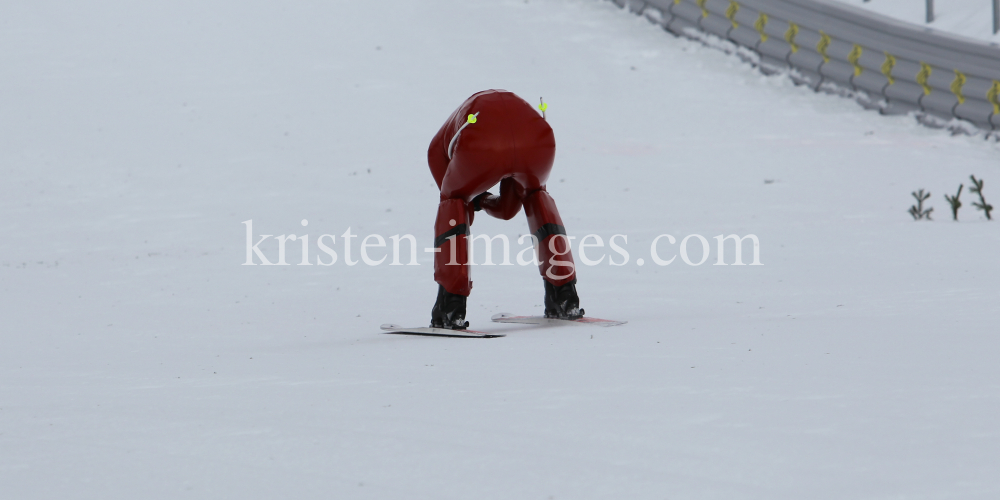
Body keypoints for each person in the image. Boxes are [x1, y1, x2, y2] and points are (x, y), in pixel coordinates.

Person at [427, 89, 583, 329]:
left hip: (483, 144)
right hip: (536, 138)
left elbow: (461, 212)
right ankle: (564, 296)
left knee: (452, 201)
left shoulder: (436, 150)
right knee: (536, 195)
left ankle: (451, 306)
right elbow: (508, 209)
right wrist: (485, 200)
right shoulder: (474, 129)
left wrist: (475, 201)